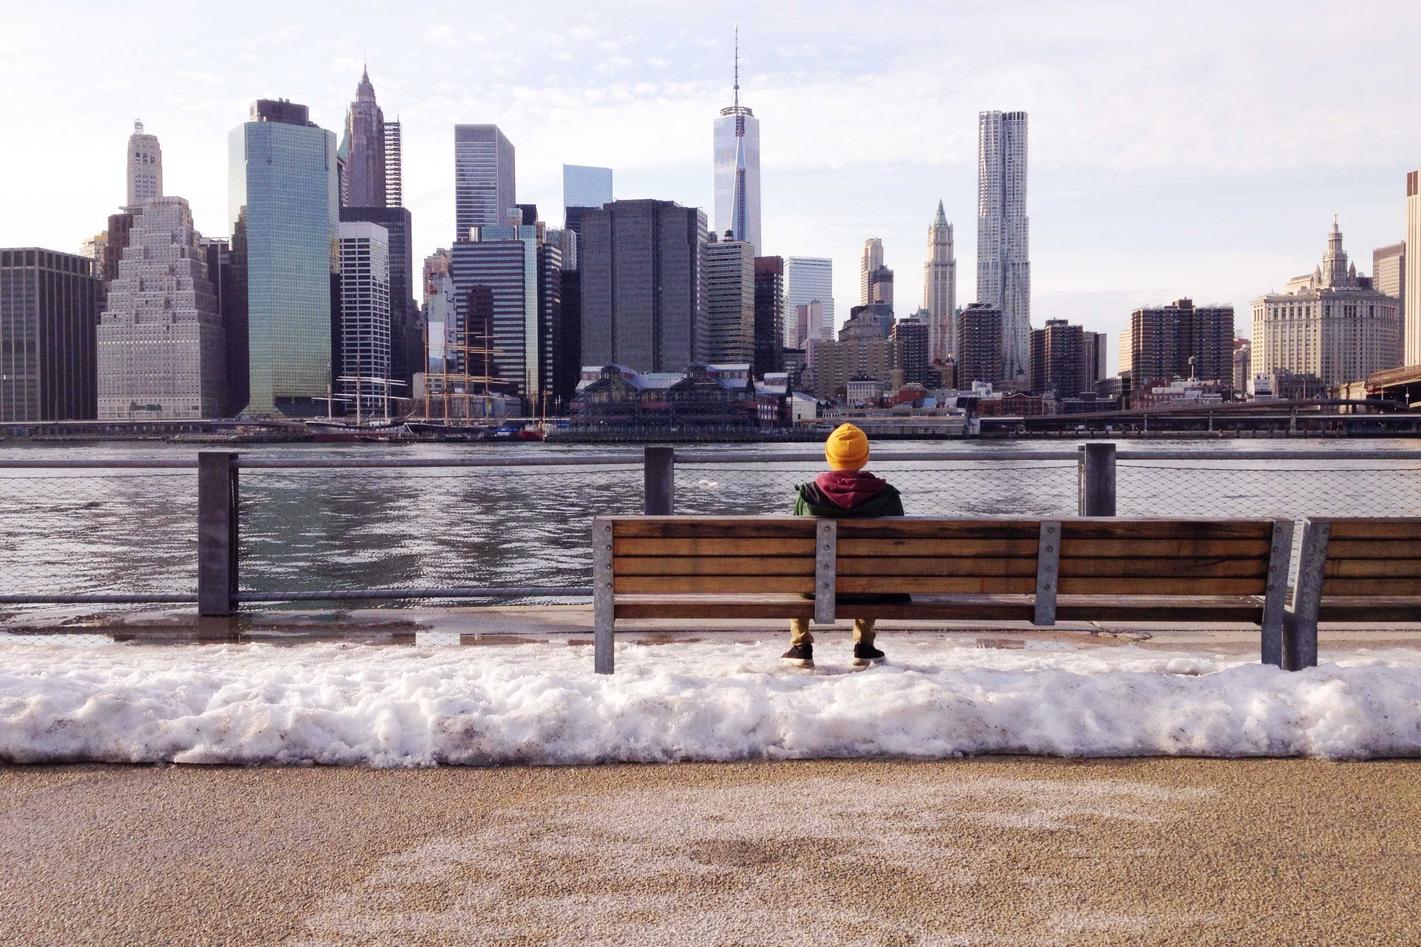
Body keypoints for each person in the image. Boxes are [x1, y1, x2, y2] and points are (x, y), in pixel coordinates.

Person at [783, 422, 904, 669]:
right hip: (868, 588)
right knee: (873, 568)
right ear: (866, 456)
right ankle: (865, 646)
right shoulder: (887, 496)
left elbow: (795, 548)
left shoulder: (808, 495)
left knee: (799, 572)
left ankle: (801, 646)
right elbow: (898, 547)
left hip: (815, 589)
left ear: (829, 456)